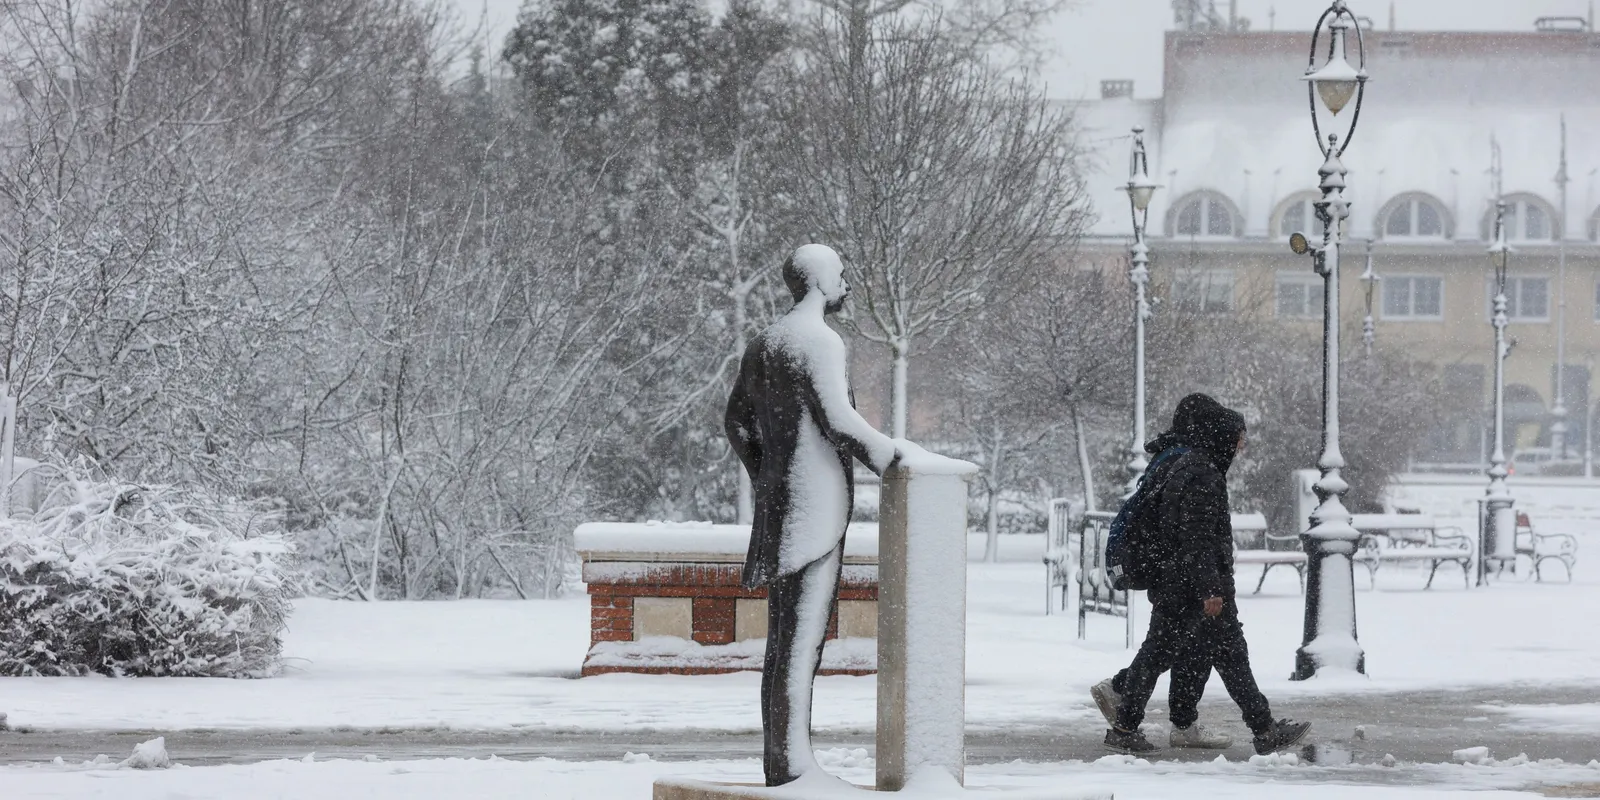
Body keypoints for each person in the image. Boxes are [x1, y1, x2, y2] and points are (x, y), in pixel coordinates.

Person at [725, 244, 901, 786]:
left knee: (782, 645)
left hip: (782, 505)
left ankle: (781, 760)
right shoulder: (820, 340)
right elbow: (838, 420)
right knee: (803, 643)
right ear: (821, 280)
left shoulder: (764, 343)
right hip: (818, 510)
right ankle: (794, 767)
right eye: (842, 275)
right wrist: (892, 457)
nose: (847, 283)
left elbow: (735, 423)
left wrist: (767, 474)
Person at [1095, 393, 1311, 756]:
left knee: (1227, 655)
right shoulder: (1201, 474)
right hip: (1192, 587)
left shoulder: (1190, 467)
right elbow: (1195, 538)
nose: (1242, 444)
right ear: (1221, 435)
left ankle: (1263, 728)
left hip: (1186, 582)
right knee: (1160, 654)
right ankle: (1125, 726)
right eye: (1239, 437)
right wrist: (1210, 588)